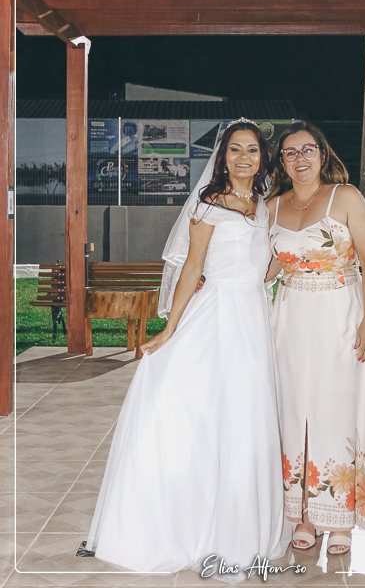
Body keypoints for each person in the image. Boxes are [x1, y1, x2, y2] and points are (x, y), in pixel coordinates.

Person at [85, 119, 291, 575]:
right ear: (222, 157)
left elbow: (265, 268)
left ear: (263, 157)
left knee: (246, 415)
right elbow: (192, 267)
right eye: (235, 149)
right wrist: (170, 328)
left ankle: (243, 523)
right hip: (215, 313)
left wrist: (298, 262)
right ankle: (192, 521)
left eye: (252, 150)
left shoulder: (266, 206)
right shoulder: (208, 204)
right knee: (203, 411)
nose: (243, 157)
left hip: (254, 317)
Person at [266, 122, 365, 556]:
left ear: (322, 154)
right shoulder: (272, 207)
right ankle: (303, 515)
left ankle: (340, 520)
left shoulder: (346, 197)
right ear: (281, 162)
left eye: (307, 150)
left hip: (340, 315)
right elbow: (267, 268)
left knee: (336, 408)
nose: (300, 158)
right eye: (290, 152)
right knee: (293, 408)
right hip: (289, 319)